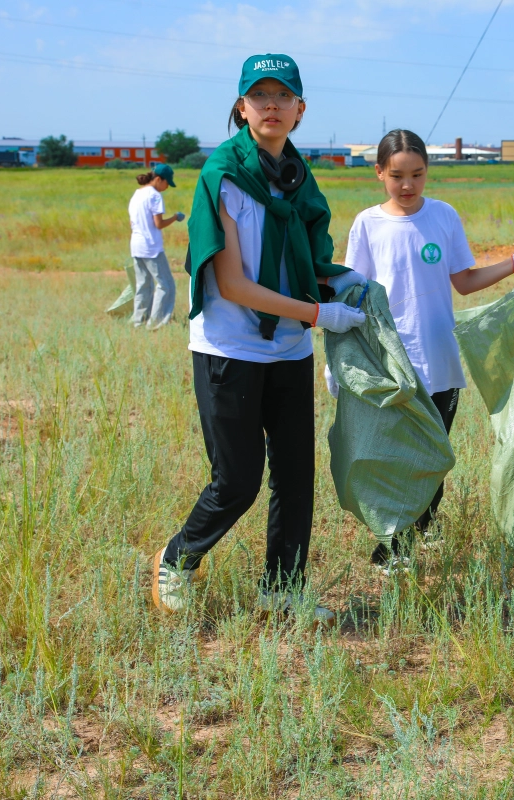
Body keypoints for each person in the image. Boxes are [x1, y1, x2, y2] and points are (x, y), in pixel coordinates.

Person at [151, 54, 368, 622]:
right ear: (241, 107)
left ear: (300, 109)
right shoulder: (225, 174)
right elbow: (234, 284)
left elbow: (303, 260)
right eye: (259, 96)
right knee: (238, 481)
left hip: (288, 347)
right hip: (230, 347)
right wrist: (319, 314)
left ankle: (283, 589)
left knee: (297, 478)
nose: (271, 106)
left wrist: (339, 277)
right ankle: (177, 559)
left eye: (283, 96)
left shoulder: (298, 176)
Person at [339, 128, 514, 573]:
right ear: (379, 173)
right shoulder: (368, 224)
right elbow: (353, 294)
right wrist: (343, 364)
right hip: (392, 362)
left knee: (434, 455)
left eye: (417, 174)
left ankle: (423, 524)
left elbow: (463, 281)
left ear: (428, 172)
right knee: (397, 456)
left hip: (441, 359)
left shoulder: (444, 216)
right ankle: (392, 546)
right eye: (397, 176)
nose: (407, 185)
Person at [128, 162, 183, 329]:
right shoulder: (155, 196)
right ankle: (156, 323)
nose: (167, 187)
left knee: (143, 284)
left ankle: (138, 321)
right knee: (166, 285)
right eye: (167, 183)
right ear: (159, 179)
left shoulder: (137, 194)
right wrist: (175, 217)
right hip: (151, 247)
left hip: (136, 246)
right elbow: (158, 224)